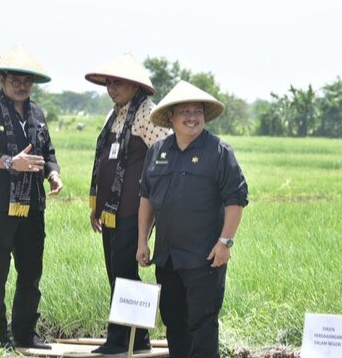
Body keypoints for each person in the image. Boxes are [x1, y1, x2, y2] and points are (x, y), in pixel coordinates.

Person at [136, 80, 249, 358]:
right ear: (171, 118)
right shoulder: (158, 151)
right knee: (174, 322)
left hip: (204, 259)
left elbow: (236, 200)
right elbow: (147, 199)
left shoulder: (219, 152)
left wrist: (225, 243)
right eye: (184, 112)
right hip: (167, 257)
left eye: (197, 111)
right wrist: (142, 241)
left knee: (202, 324)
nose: (191, 117)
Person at [0, 44, 62, 350]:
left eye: (27, 82)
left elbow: (47, 149)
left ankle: (25, 332)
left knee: (31, 270)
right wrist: (12, 162)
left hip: (32, 205)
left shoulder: (37, 112)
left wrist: (53, 173)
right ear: (1, 79)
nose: (22, 87)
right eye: (15, 81)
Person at [84, 52, 171, 355]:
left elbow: (166, 153)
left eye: (118, 83)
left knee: (124, 273)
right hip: (110, 212)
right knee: (116, 272)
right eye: (109, 83)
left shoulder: (148, 113)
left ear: (135, 86)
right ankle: (138, 339)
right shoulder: (114, 114)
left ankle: (122, 340)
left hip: (134, 211)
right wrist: (96, 207)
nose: (112, 89)